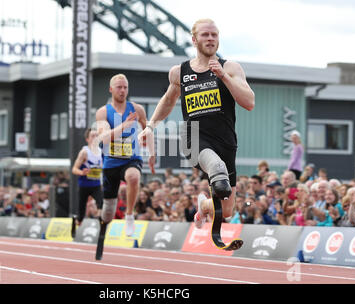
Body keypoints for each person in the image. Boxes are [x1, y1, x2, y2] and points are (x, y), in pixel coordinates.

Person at [139, 18, 254, 249]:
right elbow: (168, 100)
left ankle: (204, 206)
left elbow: (249, 102)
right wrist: (150, 126)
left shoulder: (231, 68)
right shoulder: (180, 72)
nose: (210, 38)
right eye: (205, 35)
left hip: (226, 141)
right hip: (194, 138)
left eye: (214, 34)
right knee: (217, 169)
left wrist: (224, 77)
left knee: (228, 210)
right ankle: (213, 182)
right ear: (194, 39)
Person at [95, 73, 155, 242]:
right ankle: (103, 225)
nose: (122, 91)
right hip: (111, 163)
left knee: (133, 177)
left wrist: (152, 153)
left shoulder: (137, 109)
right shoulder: (103, 112)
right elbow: (104, 138)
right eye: (119, 87)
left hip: (131, 159)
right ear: (111, 89)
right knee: (108, 212)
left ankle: (129, 215)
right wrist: (124, 126)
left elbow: (148, 129)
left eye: (125, 87)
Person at [71, 128, 103, 225]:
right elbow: (74, 169)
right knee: (80, 216)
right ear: (87, 139)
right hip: (84, 185)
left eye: (96, 136)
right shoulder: (84, 152)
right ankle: (76, 221)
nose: (95, 138)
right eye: (92, 136)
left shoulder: (101, 152)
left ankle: (101, 221)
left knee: (101, 203)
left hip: (96, 185)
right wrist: (82, 172)